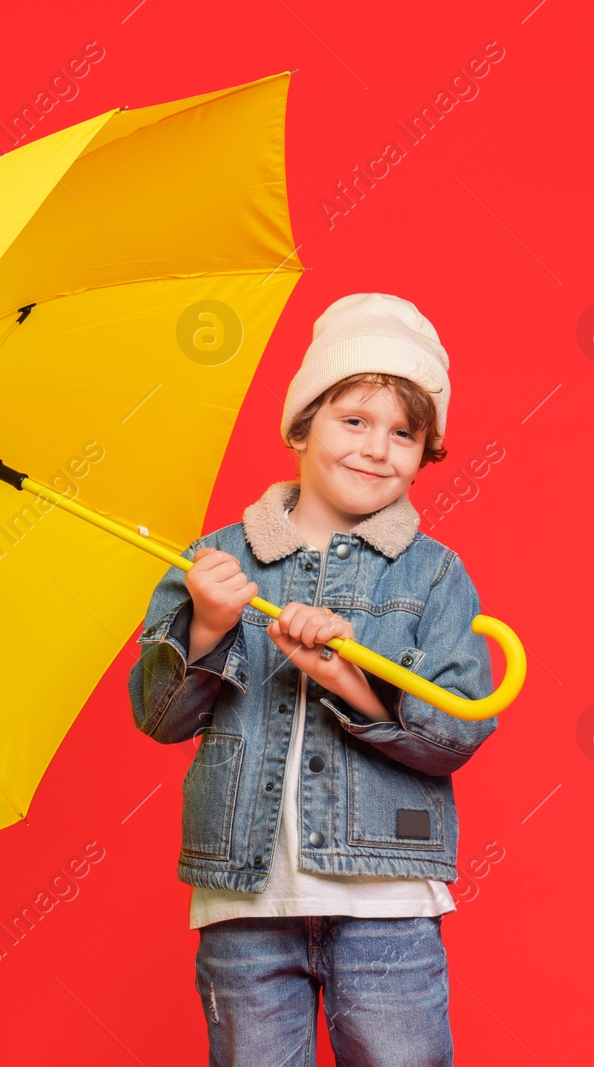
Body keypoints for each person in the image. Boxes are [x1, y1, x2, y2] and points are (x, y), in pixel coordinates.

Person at [128, 292, 500, 1066]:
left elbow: (458, 729)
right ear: (302, 424)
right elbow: (159, 717)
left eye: (405, 432)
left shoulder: (434, 575)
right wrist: (205, 625)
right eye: (354, 420)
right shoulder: (217, 561)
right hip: (244, 901)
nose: (377, 448)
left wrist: (350, 675)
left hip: (386, 902)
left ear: (426, 451)